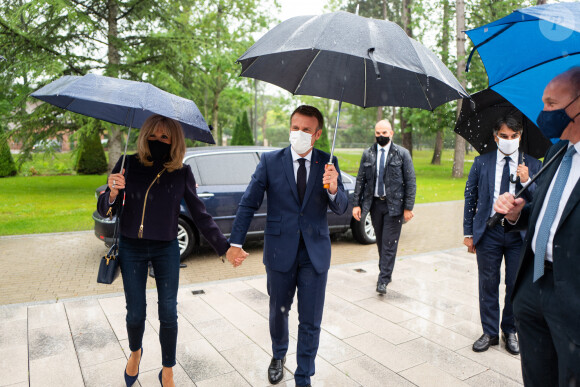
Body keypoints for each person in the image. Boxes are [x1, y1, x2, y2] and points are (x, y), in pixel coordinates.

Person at [97, 114, 246, 387]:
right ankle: (135, 351)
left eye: (165, 137)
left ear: (174, 141)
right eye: (153, 135)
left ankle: (167, 369)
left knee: (168, 312)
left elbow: (200, 215)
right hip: (132, 247)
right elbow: (106, 210)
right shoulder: (127, 164)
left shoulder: (181, 173)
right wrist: (113, 193)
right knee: (135, 313)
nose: (158, 140)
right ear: (144, 135)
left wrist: (225, 248)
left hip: (166, 248)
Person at [226, 105, 348, 387]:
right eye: (295, 128)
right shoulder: (270, 161)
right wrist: (235, 242)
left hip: (314, 253)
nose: (299, 134)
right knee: (278, 311)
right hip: (280, 252)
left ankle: (304, 375)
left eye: (306, 130)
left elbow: (342, 207)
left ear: (317, 135)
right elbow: (248, 203)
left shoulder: (328, 163)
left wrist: (333, 188)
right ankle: (278, 355)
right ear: (289, 129)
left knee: (310, 319)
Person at [494, 67, 580, 386]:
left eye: (551, 104)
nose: (542, 113)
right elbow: (548, 212)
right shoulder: (556, 152)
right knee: (537, 375)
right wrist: (518, 214)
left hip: (570, 295)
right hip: (532, 284)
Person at [463, 117, 541, 355]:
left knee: (514, 284)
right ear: (496, 136)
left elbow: (539, 201)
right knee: (488, 282)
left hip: (519, 234)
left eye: (514, 136)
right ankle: (489, 332)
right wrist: (468, 233)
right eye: (504, 136)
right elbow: (471, 198)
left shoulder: (534, 166)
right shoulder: (481, 162)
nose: (509, 141)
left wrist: (528, 181)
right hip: (489, 232)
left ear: (520, 136)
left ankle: (510, 330)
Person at [352, 119, 416, 294]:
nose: (381, 136)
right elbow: (360, 180)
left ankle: (383, 279)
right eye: (378, 133)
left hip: (394, 206)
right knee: (380, 241)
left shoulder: (402, 154)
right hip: (374, 205)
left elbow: (411, 182)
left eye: (384, 133)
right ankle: (386, 270)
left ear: (391, 133)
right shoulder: (368, 154)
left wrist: (408, 208)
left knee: (389, 242)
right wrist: (356, 204)